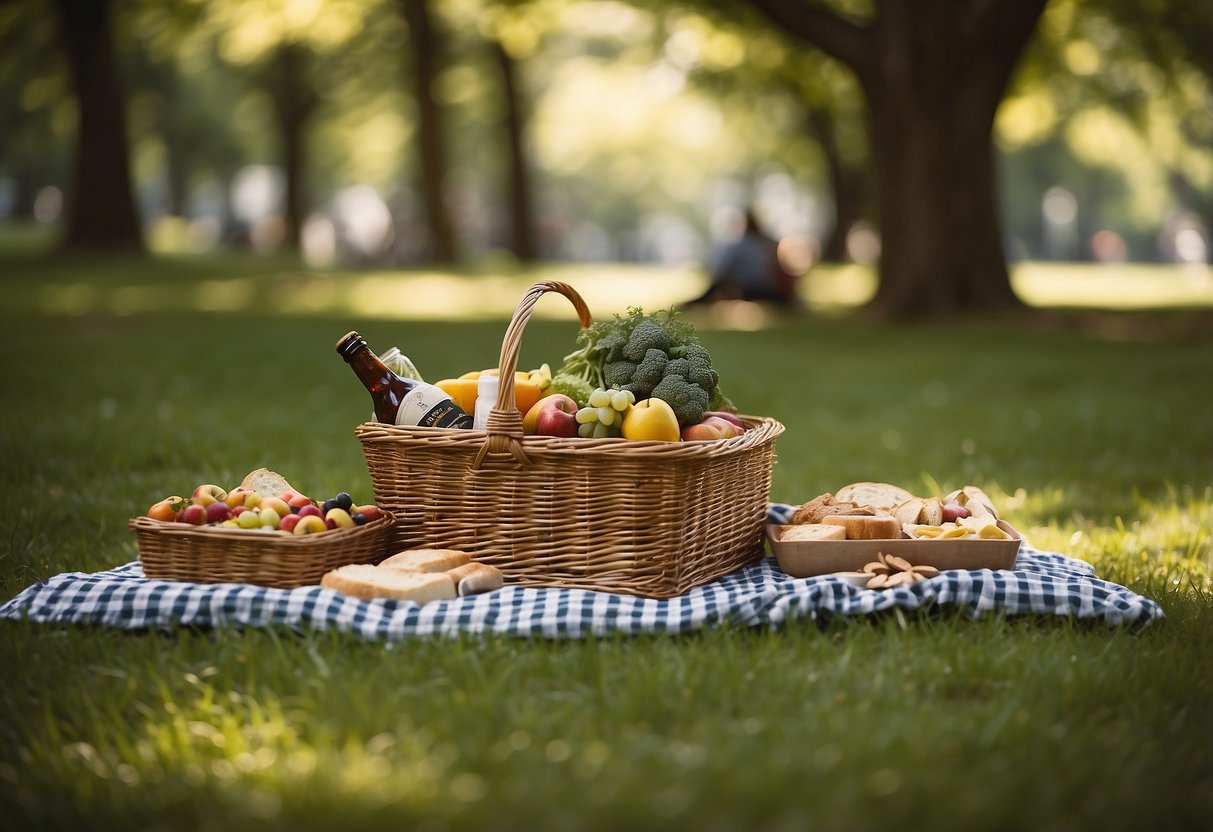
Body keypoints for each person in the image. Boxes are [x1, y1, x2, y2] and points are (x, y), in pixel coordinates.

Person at [681, 208, 801, 308]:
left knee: (718, 285)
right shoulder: (766, 243)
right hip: (766, 286)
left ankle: (695, 303)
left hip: (749, 287)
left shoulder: (741, 244)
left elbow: (725, 269)